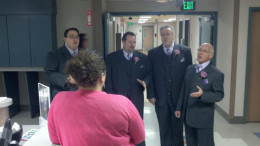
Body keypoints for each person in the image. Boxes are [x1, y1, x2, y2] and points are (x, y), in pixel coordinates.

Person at [48, 50, 145, 146]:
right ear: (102, 78)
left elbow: (55, 139)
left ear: (75, 78)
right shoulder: (123, 103)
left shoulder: (58, 100)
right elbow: (139, 137)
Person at [147, 25, 192, 146]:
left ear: (173, 35)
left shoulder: (185, 52)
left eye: (168, 34)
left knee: (177, 130)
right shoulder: (153, 53)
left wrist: (186, 98)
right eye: (163, 34)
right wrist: (150, 94)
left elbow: (188, 77)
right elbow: (149, 74)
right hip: (161, 99)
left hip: (178, 99)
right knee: (164, 129)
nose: (165, 37)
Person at [105, 31, 150, 146]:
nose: (132, 45)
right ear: (123, 42)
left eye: (134, 42)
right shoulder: (111, 58)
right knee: (119, 126)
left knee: (137, 126)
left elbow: (149, 74)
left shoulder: (143, 58)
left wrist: (145, 81)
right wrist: (110, 98)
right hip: (118, 100)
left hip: (136, 99)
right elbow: (108, 80)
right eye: (129, 42)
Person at [175, 43, 224, 146]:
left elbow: (219, 95)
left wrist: (203, 95)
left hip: (203, 118)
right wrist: (179, 107)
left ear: (211, 55)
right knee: (190, 143)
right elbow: (183, 89)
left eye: (205, 51)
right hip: (188, 116)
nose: (201, 52)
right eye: (199, 50)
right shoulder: (190, 69)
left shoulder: (216, 74)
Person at [44, 27, 81, 100]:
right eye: (71, 36)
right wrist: (68, 79)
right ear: (65, 39)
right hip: (63, 93)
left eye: (77, 37)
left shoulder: (85, 53)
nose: (75, 39)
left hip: (82, 92)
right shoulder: (54, 54)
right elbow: (49, 74)